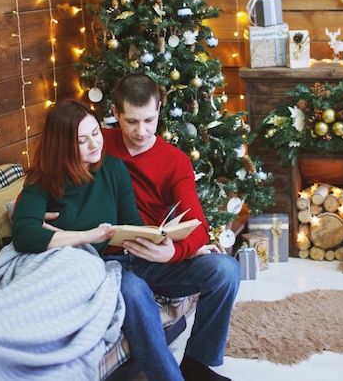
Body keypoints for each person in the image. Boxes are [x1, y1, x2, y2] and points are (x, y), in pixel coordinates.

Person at [11, 99, 186, 381]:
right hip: (63, 269)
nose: (95, 144)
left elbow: (133, 224)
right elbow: (23, 234)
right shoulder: (43, 179)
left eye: (96, 133)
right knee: (133, 290)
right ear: (63, 145)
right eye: (82, 140)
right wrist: (89, 236)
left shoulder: (114, 169)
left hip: (104, 267)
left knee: (136, 287)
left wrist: (178, 243)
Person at [102, 73, 241, 381]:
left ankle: (195, 363)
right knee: (135, 292)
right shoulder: (98, 143)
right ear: (115, 113)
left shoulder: (174, 160)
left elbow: (198, 226)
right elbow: (52, 173)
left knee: (226, 270)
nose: (142, 131)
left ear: (160, 108)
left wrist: (174, 253)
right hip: (110, 263)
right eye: (131, 122)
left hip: (156, 261)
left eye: (150, 120)